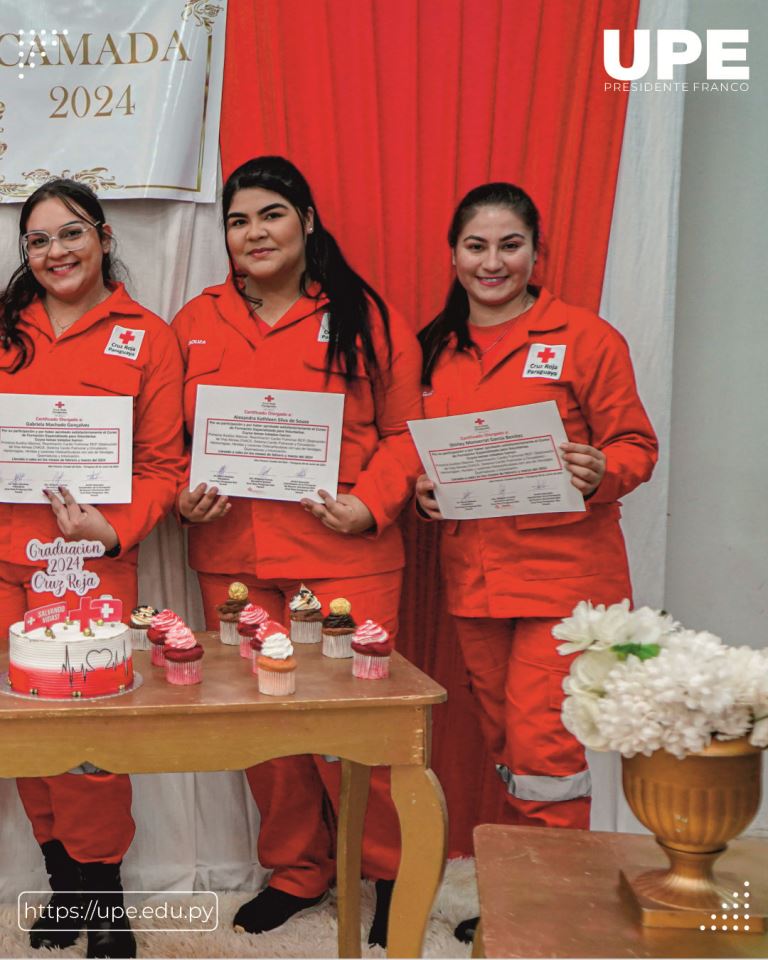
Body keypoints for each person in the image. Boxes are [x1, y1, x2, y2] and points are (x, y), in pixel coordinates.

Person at [172, 156, 423, 946]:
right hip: (235, 560)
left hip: (343, 560)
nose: (255, 233)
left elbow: (405, 434)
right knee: (263, 732)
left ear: (307, 221)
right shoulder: (195, 320)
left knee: (359, 732)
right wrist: (185, 493)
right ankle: (296, 871)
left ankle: (384, 869)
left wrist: (371, 504)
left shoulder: (364, 315)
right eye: (239, 220)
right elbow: (169, 440)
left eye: (271, 214)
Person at [416, 182, 658, 941]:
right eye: (477, 246)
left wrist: (601, 469)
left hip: (565, 580)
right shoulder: (432, 348)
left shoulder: (587, 339)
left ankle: (553, 917)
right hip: (476, 581)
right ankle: (533, 890)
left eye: (510, 245)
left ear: (535, 252)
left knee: (545, 750)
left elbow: (637, 447)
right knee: (507, 747)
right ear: (453, 255)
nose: (493, 263)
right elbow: (418, 452)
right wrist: (423, 490)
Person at [0, 179, 185, 958]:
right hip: (6, 564)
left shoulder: (148, 336)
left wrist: (113, 529)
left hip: (90, 570)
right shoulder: (6, 330)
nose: (55, 253)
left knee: (90, 746)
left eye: (70, 234)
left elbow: (165, 465)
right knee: (24, 736)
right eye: (37, 240)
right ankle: (62, 887)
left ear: (104, 238)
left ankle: (103, 896)